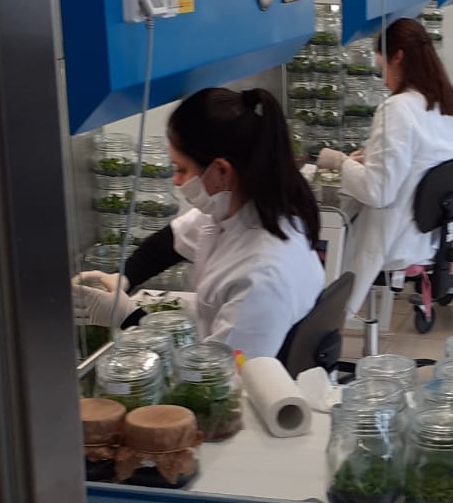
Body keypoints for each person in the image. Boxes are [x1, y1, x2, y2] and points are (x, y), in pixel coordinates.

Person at [73, 87, 323, 361]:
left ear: (222, 170)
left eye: (181, 169)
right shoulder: (245, 206)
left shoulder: (262, 275)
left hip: (242, 379)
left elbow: (215, 372)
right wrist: (124, 276)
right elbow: (171, 240)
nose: (175, 181)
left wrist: (126, 316)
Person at [317, 17, 453, 314]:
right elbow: (423, 162)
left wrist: (339, 162)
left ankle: (317, 326)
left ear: (398, 56)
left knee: (312, 238)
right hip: (425, 239)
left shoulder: (398, 109)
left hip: (391, 240)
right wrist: (372, 158)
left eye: (382, 67)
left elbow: (377, 191)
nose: (383, 80)